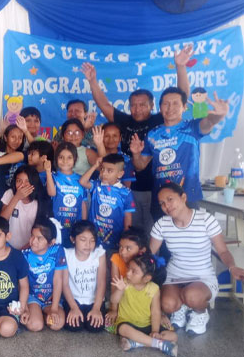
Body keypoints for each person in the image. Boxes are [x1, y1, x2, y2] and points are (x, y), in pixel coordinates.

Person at [81, 45, 193, 232]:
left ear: (152, 105)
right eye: (133, 105)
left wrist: (181, 67)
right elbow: (104, 105)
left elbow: (181, 97)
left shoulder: (161, 119)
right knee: (132, 232)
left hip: (157, 189)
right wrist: (92, 81)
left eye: (142, 105)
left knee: (155, 231)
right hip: (128, 189)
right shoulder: (124, 121)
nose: (138, 108)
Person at [150, 183, 244, 335]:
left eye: (170, 199)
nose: (166, 206)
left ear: (183, 197)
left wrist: (232, 267)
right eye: (162, 203)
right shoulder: (162, 224)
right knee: (167, 304)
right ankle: (180, 308)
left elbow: (223, 251)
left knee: (192, 296)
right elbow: (150, 254)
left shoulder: (206, 220)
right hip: (174, 276)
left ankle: (200, 313)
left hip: (202, 277)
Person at [130, 88, 230, 215]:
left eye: (175, 103)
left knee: (188, 229)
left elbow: (209, 122)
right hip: (160, 200)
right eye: (166, 104)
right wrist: (136, 154)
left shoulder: (193, 128)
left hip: (188, 197)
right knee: (160, 229)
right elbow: (140, 166)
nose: (170, 107)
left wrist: (219, 115)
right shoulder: (152, 134)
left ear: (184, 107)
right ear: (160, 107)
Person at [109, 255, 178, 357]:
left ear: (146, 278)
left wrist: (155, 331)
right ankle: (158, 344)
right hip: (128, 323)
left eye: (134, 271)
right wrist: (120, 290)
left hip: (147, 324)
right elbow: (113, 300)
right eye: (128, 268)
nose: (128, 273)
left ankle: (137, 343)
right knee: (123, 329)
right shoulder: (125, 283)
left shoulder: (154, 289)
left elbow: (155, 312)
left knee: (174, 336)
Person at [79, 154, 135, 250]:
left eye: (109, 171)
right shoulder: (97, 185)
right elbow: (82, 182)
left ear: (120, 174)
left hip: (115, 237)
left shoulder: (125, 193)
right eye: (102, 169)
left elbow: (128, 216)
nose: (104, 173)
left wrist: (126, 236)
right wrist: (95, 166)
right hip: (94, 236)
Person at [20, 218, 66, 332]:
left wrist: (54, 309)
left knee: (57, 324)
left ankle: (45, 313)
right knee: (35, 326)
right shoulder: (24, 255)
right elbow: (23, 285)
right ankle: (38, 313)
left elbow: (58, 280)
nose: (33, 241)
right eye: (32, 236)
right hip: (33, 297)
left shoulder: (57, 251)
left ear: (51, 242)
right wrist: (24, 308)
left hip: (51, 298)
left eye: (39, 238)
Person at [61, 221, 106, 332]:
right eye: (83, 240)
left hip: (94, 300)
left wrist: (96, 308)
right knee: (73, 326)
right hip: (74, 299)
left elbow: (101, 283)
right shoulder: (67, 254)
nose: (88, 244)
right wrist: (73, 308)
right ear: (73, 239)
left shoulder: (99, 254)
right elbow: (65, 284)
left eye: (92, 240)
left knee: (95, 327)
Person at [44, 142, 87, 247]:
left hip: (75, 227)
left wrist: (84, 225)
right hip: (57, 226)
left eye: (69, 158)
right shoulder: (53, 177)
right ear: (56, 159)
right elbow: (52, 193)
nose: (65, 161)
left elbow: (83, 203)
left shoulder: (81, 179)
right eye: (61, 157)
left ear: (75, 159)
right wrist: (48, 171)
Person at [0, 165, 50, 250]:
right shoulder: (10, 193)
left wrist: (25, 248)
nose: (22, 185)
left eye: (27, 181)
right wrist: (16, 198)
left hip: (31, 245)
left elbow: (41, 229)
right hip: (9, 244)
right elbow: (2, 220)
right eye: (19, 181)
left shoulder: (40, 200)